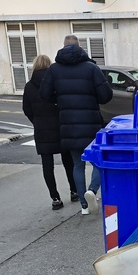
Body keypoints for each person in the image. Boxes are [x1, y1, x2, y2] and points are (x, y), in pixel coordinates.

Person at [39, 34, 112, 215]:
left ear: (63, 46)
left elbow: (44, 94)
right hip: (91, 124)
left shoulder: (54, 70)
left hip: (68, 125)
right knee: (98, 162)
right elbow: (106, 95)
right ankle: (92, 190)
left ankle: (84, 206)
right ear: (79, 47)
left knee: (77, 165)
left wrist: (60, 99)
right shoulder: (91, 68)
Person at [22, 54, 77, 210]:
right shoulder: (55, 83)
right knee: (68, 161)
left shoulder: (29, 86)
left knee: (47, 166)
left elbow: (26, 109)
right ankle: (74, 191)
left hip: (42, 130)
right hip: (60, 127)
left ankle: (55, 198)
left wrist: (36, 121)